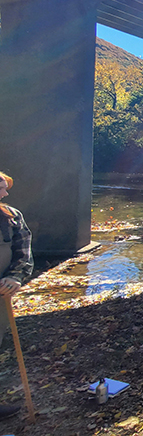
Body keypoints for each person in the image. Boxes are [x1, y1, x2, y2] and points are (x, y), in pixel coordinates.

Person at [0, 171, 34, 420]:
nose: (5, 193)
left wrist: (15, 277)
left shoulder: (12, 217)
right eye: (1, 188)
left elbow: (23, 252)